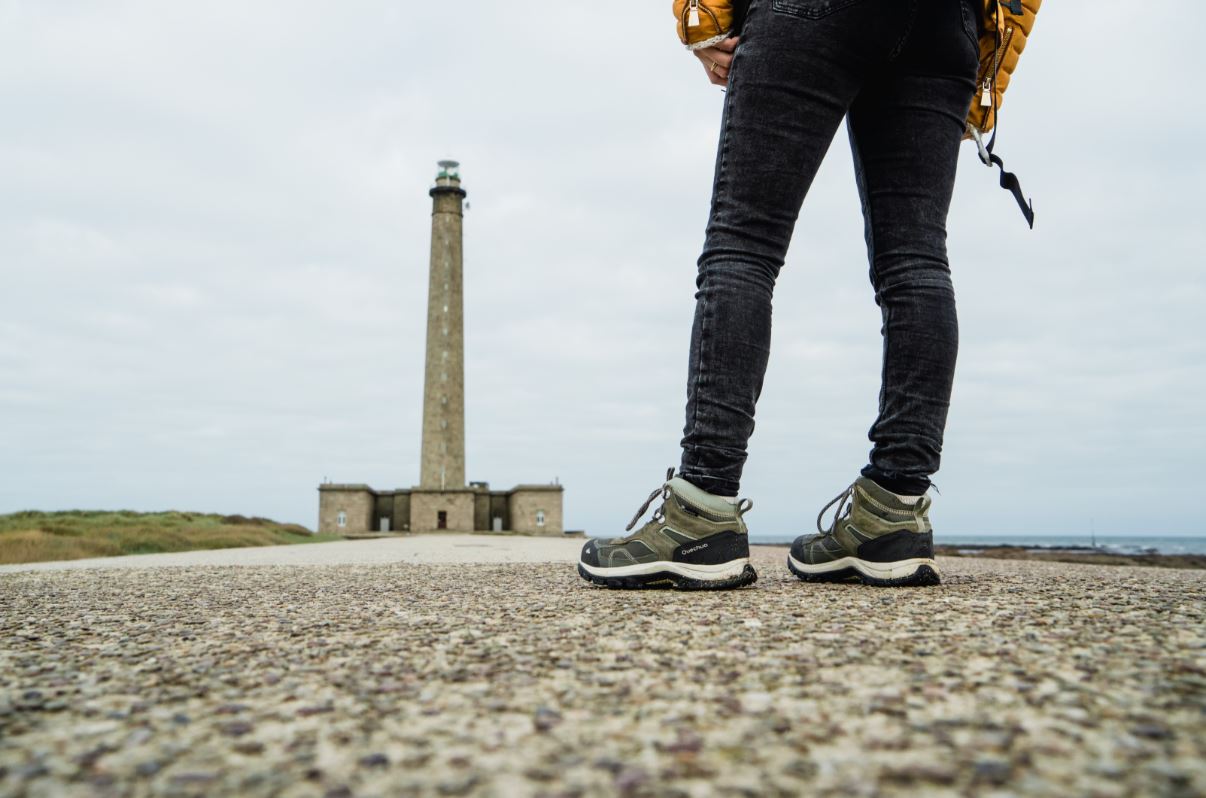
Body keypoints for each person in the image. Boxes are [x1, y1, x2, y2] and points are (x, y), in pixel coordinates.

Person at [578, 0, 983, 590]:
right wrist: (984, 68)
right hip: (947, 24)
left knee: (744, 244)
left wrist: (705, 18)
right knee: (917, 261)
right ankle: (892, 514)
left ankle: (702, 515)